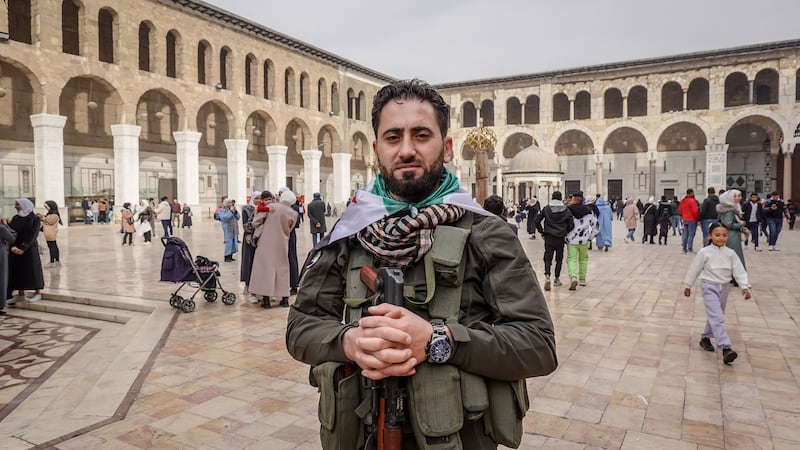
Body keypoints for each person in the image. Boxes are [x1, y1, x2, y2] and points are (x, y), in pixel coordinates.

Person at [286, 79, 557, 449]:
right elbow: (300, 329)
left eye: (422, 135)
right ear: (376, 150)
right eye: (393, 137)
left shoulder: (485, 232)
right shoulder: (351, 232)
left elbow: (538, 345)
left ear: (445, 148)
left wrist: (437, 341)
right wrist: (350, 343)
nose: (407, 149)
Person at [684, 222, 751, 364]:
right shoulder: (704, 252)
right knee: (717, 316)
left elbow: (739, 270)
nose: (721, 238)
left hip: (724, 287)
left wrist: (744, 286)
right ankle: (726, 347)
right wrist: (688, 285)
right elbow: (694, 269)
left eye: (724, 235)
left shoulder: (731, 253)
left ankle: (705, 338)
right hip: (709, 286)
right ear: (710, 236)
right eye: (717, 235)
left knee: (716, 314)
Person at [250, 189, 296, 308]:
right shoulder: (293, 213)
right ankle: (284, 299)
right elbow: (290, 229)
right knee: (282, 269)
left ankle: (266, 301)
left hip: (266, 242)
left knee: (266, 269)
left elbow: (255, 223)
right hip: (282, 242)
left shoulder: (271, 206)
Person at [7, 198, 44, 304]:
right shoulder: (16, 218)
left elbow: (33, 235)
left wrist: (23, 248)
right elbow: (12, 233)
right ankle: (20, 294)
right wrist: (13, 246)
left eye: (17, 204)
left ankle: (37, 292)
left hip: (29, 249)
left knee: (32, 271)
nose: (15, 207)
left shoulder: (34, 219)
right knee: (18, 272)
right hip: (15, 250)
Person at [535, 191, 573, 290]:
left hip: (549, 236)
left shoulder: (547, 208)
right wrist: (565, 231)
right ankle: (556, 278)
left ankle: (547, 276)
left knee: (548, 257)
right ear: (561, 198)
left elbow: (537, 220)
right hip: (560, 237)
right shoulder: (566, 210)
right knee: (559, 258)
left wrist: (541, 231)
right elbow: (571, 224)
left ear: (552, 198)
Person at [565, 191, 597, 290]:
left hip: (571, 239)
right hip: (584, 240)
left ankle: (573, 277)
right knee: (583, 259)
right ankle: (582, 279)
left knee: (571, 259)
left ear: (573, 199)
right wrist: (590, 237)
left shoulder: (568, 210)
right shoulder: (589, 211)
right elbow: (596, 227)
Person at [717, 189, 747, 271]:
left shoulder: (732, 208)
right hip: (732, 236)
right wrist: (741, 224)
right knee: (735, 257)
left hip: (732, 235)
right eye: (736, 196)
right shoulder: (729, 211)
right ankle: (737, 276)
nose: (740, 198)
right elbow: (729, 224)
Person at [240, 191, 261, 302]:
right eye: (256, 198)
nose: (258, 200)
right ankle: (248, 286)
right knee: (249, 262)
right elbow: (245, 224)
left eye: (260, 198)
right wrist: (249, 234)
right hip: (249, 238)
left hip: (260, 239)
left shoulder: (263, 209)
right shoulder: (247, 209)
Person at [281, 187, 301, 296]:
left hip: (285, 235)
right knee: (292, 258)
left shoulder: (286, 209)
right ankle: (293, 284)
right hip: (292, 235)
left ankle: (292, 284)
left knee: (289, 259)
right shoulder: (295, 208)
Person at [39, 200, 62, 267]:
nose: (46, 208)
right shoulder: (50, 213)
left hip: (50, 233)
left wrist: (43, 218)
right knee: (53, 246)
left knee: (52, 247)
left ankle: (53, 261)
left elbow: (50, 221)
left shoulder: (54, 214)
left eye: (46, 206)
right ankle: (56, 261)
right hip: (48, 233)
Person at [0, 223, 16, 315]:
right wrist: (7, 226)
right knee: (2, 279)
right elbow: (12, 238)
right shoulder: (2, 228)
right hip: (1, 256)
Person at [217, 198, 240, 262]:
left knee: (233, 242)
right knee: (229, 242)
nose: (230, 204)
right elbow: (224, 218)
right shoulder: (222, 210)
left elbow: (238, 217)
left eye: (231, 202)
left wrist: (235, 211)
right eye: (229, 202)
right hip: (227, 228)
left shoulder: (232, 209)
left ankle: (231, 256)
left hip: (234, 229)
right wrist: (231, 212)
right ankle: (227, 256)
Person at [679, 188, 700, 254]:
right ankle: (689, 249)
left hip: (685, 219)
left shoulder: (683, 201)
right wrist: (697, 218)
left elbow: (679, 210)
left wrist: (683, 216)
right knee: (691, 234)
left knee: (685, 234)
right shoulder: (692, 201)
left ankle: (684, 249)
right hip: (692, 219)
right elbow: (695, 211)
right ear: (692, 193)